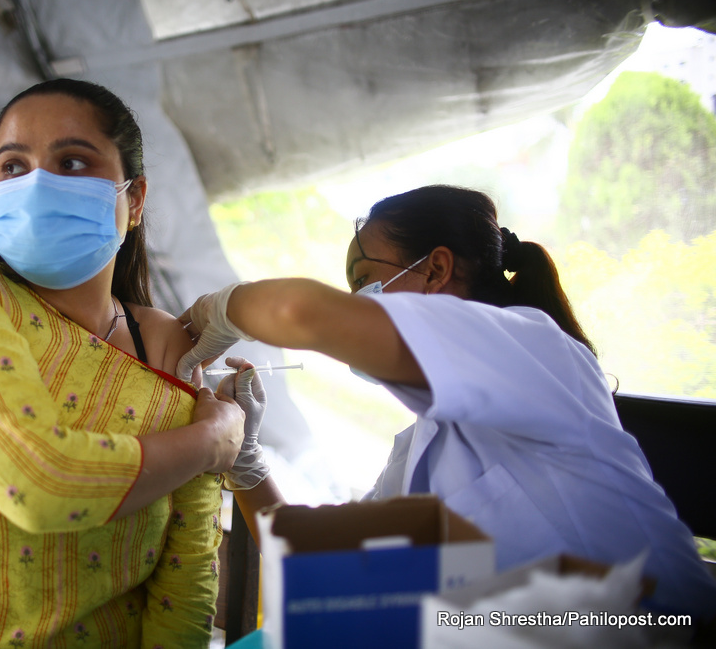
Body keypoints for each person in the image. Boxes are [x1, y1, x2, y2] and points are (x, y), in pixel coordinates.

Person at [175, 185, 716, 621]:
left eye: (365, 280)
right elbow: (316, 556)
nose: (358, 301)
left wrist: (221, 310)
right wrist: (246, 460)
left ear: (435, 269)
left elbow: (296, 310)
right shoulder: (419, 448)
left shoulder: (532, 346)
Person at [0, 79, 257, 648]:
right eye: (12, 167)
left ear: (136, 199)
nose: (35, 187)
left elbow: (185, 580)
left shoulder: (165, 350)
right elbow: (41, 483)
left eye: (72, 161)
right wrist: (212, 442)